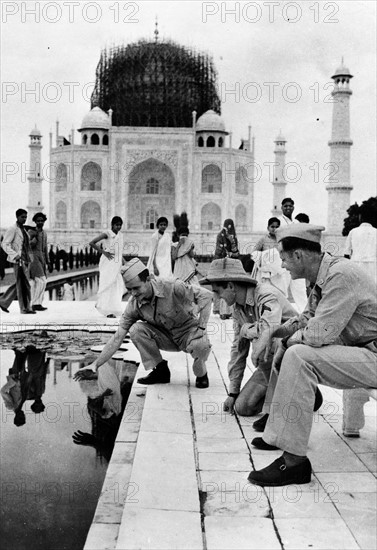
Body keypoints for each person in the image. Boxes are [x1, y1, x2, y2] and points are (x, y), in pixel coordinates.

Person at [247, 223, 377, 487]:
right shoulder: (323, 274)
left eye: (284, 258)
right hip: (361, 351)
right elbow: (306, 318)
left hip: (371, 355)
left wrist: (287, 342)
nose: (283, 266)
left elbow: (319, 333)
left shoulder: (341, 275)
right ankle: (278, 432)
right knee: (285, 345)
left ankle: (294, 463)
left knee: (298, 355)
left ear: (299, 256)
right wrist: (273, 334)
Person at [76, 258, 213, 388]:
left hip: (188, 334)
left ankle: (202, 374)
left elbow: (206, 296)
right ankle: (161, 371)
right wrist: (95, 364)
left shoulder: (172, 286)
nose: (133, 293)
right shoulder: (134, 304)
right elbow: (118, 337)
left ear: (148, 279)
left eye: (136, 288)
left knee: (201, 346)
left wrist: (201, 327)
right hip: (166, 337)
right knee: (135, 329)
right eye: (129, 290)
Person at [200, 258, 298, 417]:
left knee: (271, 344)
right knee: (243, 407)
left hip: (290, 356)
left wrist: (246, 330)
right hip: (270, 364)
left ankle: (275, 412)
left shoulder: (266, 294)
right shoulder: (238, 309)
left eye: (218, 291)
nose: (217, 298)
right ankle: (307, 393)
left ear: (231, 286)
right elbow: (238, 350)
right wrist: (233, 392)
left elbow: (269, 330)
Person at [0, 209, 35, 314]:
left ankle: (3, 301)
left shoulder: (23, 230)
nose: (24, 219)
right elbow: (4, 244)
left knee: (21, 283)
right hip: (18, 261)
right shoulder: (13, 229)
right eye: (22, 217)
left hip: (25, 260)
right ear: (17, 217)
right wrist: (15, 256)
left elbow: (26, 246)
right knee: (23, 285)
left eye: (25, 217)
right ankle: (24, 308)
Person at [89, 216, 125, 318]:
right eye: (116, 225)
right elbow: (92, 243)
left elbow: (119, 251)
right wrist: (104, 252)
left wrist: (124, 261)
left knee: (117, 284)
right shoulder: (107, 233)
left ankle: (113, 308)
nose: (118, 227)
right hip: (108, 261)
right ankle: (106, 310)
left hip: (117, 262)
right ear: (112, 225)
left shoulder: (120, 235)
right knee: (107, 284)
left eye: (120, 225)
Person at [277, 198, 307, 312]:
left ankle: (305, 314)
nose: (288, 208)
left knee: (300, 288)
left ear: (293, 207)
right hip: (284, 258)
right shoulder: (278, 222)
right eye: (285, 206)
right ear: (281, 207)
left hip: (297, 258)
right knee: (282, 288)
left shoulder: (297, 223)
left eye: (290, 206)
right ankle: (281, 315)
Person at [213, 218, 240, 319]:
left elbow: (236, 252)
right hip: (222, 265)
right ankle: (223, 311)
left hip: (231, 265)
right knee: (223, 286)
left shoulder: (233, 237)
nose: (228, 229)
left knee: (230, 287)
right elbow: (219, 250)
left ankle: (230, 311)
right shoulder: (220, 236)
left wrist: (231, 241)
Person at [344, 202, 376, 283]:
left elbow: (346, 254)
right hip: (373, 266)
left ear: (360, 217)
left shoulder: (353, 232)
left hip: (356, 265)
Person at [28, 212, 49, 311]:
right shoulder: (32, 232)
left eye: (41, 220)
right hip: (34, 258)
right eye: (38, 220)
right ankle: (35, 303)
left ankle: (37, 303)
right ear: (35, 221)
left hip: (41, 258)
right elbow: (26, 245)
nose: (40, 222)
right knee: (41, 281)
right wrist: (33, 241)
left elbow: (45, 248)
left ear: (44, 221)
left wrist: (48, 260)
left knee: (39, 282)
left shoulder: (44, 233)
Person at [172, 213, 198, 284]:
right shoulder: (174, 245)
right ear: (178, 235)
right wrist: (179, 245)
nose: (184, 237)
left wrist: (190, 248)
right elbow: (174, 257)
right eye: (182, 235)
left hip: (188, 267)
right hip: (179, 267)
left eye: (185, 235)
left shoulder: (189, 244)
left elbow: (191, 255)